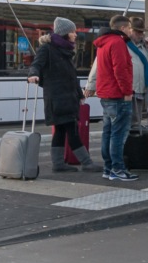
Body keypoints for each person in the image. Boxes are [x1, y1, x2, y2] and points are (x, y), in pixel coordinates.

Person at [27, 18, 101, 174]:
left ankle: (58, 163)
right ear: (65, 33)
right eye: (73, 32)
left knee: (60, 131)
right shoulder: (48, 49)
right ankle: (86, 163)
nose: (75, 35)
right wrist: (33, 75)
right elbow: (36, 65)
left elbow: (71, 76)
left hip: (66, 97)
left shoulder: (65, 50)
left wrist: (79, 94)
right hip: (57, 98)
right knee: (72, 130)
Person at [93, 15, 139, 181]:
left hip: (106, 94)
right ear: (122, 28)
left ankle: (108, 168)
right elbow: (120, 69)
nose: (130, 31)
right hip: (118, 95)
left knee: (108, 132)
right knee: (118, 134)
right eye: (129, 28)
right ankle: (118, 169)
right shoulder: (118, 42)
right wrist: (127, 91)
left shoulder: (103, 43)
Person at [127, 16, 148, 121]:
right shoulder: (122, 45)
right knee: (126, 121)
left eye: (142, 32)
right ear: (130, 30)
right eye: (138, 32)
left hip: (140, 90)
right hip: (127, 90)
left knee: (136, 120)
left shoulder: (144, 46)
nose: (141, 35)